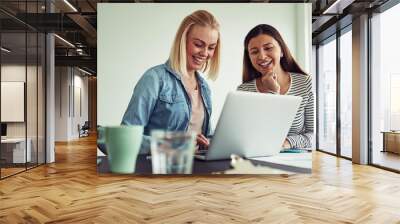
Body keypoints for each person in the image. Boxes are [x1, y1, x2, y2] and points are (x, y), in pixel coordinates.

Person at [121, 10, 221, 154]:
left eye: (211, 47)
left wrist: (212, 143)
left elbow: (202, 135)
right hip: (162, 169)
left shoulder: (204, 88)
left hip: (197, 168)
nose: (205, 53)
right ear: (183, 40)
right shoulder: (154, 79)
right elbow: (125, 137)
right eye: (199, 44)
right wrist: (172, 144)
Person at [237, 24, 314, 149]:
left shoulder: (305, 83)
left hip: (295, 160)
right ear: (249, 58)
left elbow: (313, 135)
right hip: (258, 159)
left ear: (282, 50)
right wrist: (274, 93)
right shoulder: (243, 91)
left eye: (268, 48)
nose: (262, 56)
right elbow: (244, 136)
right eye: (254, 52)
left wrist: (287, 142)